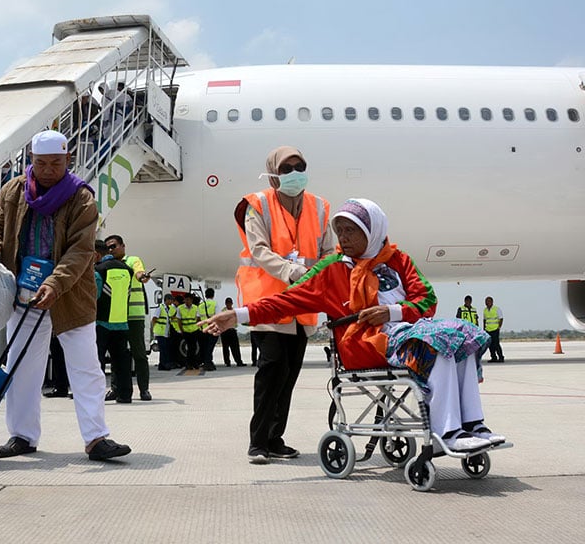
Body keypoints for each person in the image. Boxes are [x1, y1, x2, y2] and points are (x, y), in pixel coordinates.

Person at [202, 198, 505, 455]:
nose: (343, 238)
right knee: (434, 342)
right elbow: (285, 302)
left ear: (372, 231)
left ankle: (472, 424)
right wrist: (239, 315)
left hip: (403, 331)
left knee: (463, 337)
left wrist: (393, 311)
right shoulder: (332, 269)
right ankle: (447, 431)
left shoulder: (398, 260)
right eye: (339, 231)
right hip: (365, 343)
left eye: (351, 230)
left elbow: (427, 300)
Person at [0, 129, 130, 461]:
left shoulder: (82, 198)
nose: (47, 170)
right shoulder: (14, 191)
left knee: (86, 368)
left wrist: (55, 283)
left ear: (68, 160)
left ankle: (96, 439)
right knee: (21, 368)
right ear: (30, 160)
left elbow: (80, 251)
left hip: (69, 296)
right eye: (40, 163)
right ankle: (22, 436)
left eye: (55, 164)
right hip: (24, 295)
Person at [232, 146, 334, 464]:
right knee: (271, 370)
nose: (294, 173)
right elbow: (259, 249)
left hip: (303, 304)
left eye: (299, 166)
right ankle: (258, 442)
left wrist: (324, 276)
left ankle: (275, 439)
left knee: (289, 375)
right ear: (274, 172)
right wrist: (293, 271)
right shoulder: (257, 204)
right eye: (286, 168)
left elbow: (329, 250)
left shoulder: (319, 206)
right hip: (269, 302)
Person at [103, 235, 152, 401]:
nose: (111, 249)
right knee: (118, 356)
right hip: (118, 316)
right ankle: (116, 389)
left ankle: (144, 389)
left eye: (114, 246)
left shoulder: (132, 260)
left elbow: (139, 273)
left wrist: (142, 277)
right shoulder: (108, 264)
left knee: (139, 354)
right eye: (108, 247)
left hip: (134, 316)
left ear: (123, 246)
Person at [93, 239, 133, 403]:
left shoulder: (99, 270)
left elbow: (94, 296)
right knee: (121, 362)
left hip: (101, 322)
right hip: (122, 322)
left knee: (97, 361)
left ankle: (95, 395)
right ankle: (125, 395)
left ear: (96, 254)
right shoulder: (127, 270)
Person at [176, 292, 201, 369]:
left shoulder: (196, 308)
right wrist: (182, 330)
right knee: (190, 348)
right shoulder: (180, 308)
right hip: (186, 331)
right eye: (186, 300)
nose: (187, 302)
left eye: (189, 300)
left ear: (191, 300)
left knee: (193, 348)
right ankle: (190, 363)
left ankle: (193, 363)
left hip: (194, 330)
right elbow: (179, 320)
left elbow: (198, 319)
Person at [152, 294, 177, 370]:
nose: (171, 302)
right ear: (166, 300)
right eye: (170, 300)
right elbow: (154, 319)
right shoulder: (160, 308)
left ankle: (162, 365)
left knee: (165, 349)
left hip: (165, 332)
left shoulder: (168, 309)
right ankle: (164, 364)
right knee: (163, 350)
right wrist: (154, 328)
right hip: (160, 332)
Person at [220, 298, 245, 367]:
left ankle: (239, 361)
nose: (229, 304)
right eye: (228, 303)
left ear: (232, 303)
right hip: (225, 331)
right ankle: (227, 362)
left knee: (236, 347)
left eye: (230, 303)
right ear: (225, 304)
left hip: (232, 330)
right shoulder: (223, 311)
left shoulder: (234, 311)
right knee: (225, 348)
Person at [198, 288, 219, 371]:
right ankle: (208, 363)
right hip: (213, 329)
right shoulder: (215, 304)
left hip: (204, 329)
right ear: (213, 295)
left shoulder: (201, 305)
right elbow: (218, 316)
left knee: (205, 347)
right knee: (210, 348)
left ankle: (207, 362)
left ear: (205, 295)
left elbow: (198, 318)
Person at [483, 296, 504, 363]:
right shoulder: (485, 310)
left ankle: (501, 357)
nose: (487, 303)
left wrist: (499, 327)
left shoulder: (496, 309)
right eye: (486, 302)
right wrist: (484, 328)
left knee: (496, 344)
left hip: (495, 329)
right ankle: (493, 357)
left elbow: (501, 318)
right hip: (488, 330)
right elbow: (485, 320)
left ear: (492, 302)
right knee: (490, 345)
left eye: (488, 301)